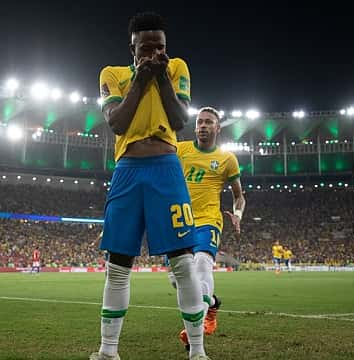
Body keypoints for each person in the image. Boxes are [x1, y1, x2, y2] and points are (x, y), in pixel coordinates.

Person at [90, 12, 209, 360]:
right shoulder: (111, 75)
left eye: (161, 46)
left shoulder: (177, 69)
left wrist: (161, 79)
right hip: (127, 169)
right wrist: (142, 79)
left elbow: (179, 119)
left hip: (166, 168)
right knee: (118, 265)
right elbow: (116, 122)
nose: (156, 53)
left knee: (183, 263)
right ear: (133, 48)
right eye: (147, 47)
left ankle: (198, 352)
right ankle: (108, 351)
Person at [173, 107, 245, 350]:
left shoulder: (227, 159)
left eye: (208, 122)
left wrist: (237, 215)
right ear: (195, 127)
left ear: (217, 128)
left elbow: (239, 196)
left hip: (209, 220)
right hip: (179, 220)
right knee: (179, 280)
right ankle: (212, 304)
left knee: (202, 264)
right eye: (199, 122)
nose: (203, 126)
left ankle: (197, 328)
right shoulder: (180, 149)